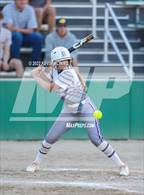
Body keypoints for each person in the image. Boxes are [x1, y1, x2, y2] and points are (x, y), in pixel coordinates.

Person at [26, 46, 129, 176]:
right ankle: (36, 162)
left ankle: (122, 165)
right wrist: (40, 73)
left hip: (85, 107)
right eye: (62, 61)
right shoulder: (55, 70)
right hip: (69, 110)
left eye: (67, 60)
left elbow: (51, 88)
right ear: (56, 62)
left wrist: (36, 76)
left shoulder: (68, 72)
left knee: (96, 139)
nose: (66, 63)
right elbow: (51, 80)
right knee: (50, 137)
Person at [0, 12, 24, 77]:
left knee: (17, 62)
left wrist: (5, 62)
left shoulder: (7, 32)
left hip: (3, 60)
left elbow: (7, 50)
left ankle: (20, 85)